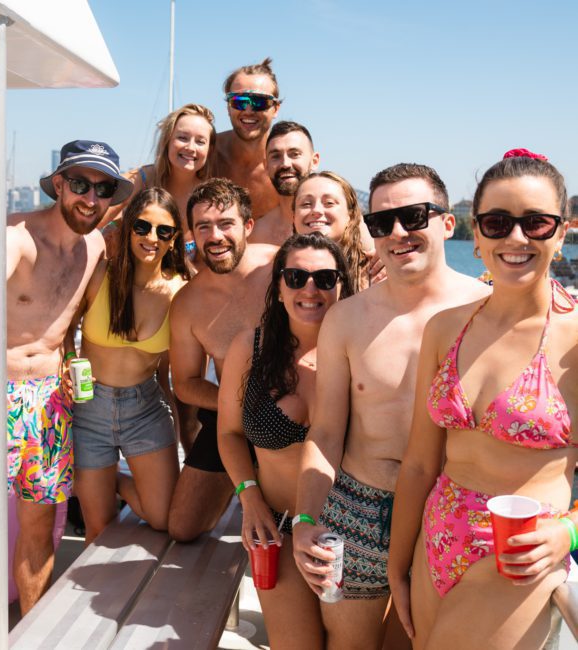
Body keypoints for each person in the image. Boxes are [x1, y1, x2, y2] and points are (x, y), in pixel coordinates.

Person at [0, 140, 133, 648]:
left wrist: (75, 367)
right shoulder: (14, 235)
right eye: (80, 184)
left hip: (48, 400)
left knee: (40, 522)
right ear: (57, 184)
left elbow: (70, 327)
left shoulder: (97, 248)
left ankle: (31, 636)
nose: (90, 198)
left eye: (103, 188)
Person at [291, 163, 490, 649]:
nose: (398, 233)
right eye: (382, 223)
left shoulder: (486, 309)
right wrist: (306, 520)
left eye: (414, 216)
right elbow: (327, 432)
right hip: (359, 505)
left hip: (448, 510)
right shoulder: (347, 318)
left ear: (448, 223)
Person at [389, 150, 578, 650]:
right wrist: (397, 566)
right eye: (497, 223)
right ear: (475, 235)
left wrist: (569, 533)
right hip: (434, 542)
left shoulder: (576, 339)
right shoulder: (445, 329)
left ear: (562, 233)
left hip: (517, 556)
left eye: (536, 224)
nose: (516, 239)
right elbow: (419, 463)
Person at [218, 232, 353, 648]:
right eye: (296, 277)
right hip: (278, 530)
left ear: (342, 286)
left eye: (325, 279)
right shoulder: (251, 348)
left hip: (353, 532)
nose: (310, 289)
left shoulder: (362, 352)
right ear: (278, 287)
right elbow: (229, 433)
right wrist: (249, 494)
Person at [67, 187, 189, 544]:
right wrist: (66, 363)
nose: (151, 238)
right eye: (142, 226)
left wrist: (182, 434)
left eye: (163, 231)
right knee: (98, 528)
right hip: (88, 410)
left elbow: (169, 373)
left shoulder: (181, 292)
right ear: (128, 228)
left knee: (165, 518)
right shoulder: (99, 274)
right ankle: (99, 481)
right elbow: (64, 331)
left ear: (174, 239)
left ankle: (114, 481)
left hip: (145, 409)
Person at [168, 177, 277, 542]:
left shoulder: (282, 267)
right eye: (203, 227)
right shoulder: (187, 303)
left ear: (248, 226)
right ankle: (241, 484)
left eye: (226, 224)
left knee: (289, 523)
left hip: (298, 412)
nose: (215, 236)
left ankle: (256, 488)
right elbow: (185, 384)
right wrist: (237, 408)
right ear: (192, 233)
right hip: (230, 416)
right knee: (182, 528)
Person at [102, 103, 216, 263]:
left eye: (200, 141)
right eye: (182, 138)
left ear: (209, 150)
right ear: (167, 141)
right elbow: (94, 220)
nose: (191, 147)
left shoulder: (210, 195)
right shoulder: (139, 179)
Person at [216, 57, 281, 219]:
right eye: (239, 101)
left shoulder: (286, 168)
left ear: (276, 109)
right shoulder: (206, 155)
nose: (249, 110)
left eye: (260, 102)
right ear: (228, 107)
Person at [293, 171, 377, 293]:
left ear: (351, 215)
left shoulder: (376, 272)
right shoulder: (279, 270)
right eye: (306, 204)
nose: (316, 210)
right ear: (293, 216)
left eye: (329, 203)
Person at [248, 121, 320, 246]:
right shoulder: (257, 234)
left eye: (295, 154)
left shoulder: (339, 221)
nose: (285, 163)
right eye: (276, 156)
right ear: (266, 165)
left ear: (314, 161)